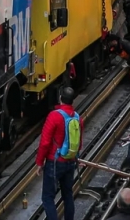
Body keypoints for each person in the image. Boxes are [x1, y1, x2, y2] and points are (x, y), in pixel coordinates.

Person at [36, 86, 83, 220]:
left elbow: (45, 142)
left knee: (48, 197)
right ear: (72, 101)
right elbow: (79, 142)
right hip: (70, 161)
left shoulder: (54, 116)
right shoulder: (77, 117)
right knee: (68, 194)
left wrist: (39, 162)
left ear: (60, 98)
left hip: (54, 162)